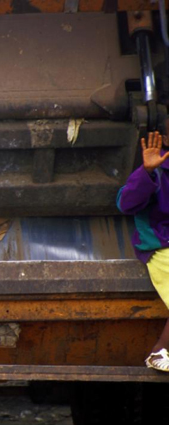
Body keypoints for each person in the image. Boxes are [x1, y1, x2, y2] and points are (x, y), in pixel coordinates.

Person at [117, 130, 169, 372]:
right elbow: (125, 204)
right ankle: (159, 352)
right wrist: (146, 171)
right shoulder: (157, 172)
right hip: (161, 246)